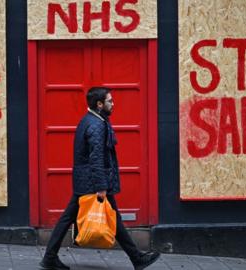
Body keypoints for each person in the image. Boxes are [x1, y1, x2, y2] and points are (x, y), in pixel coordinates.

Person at [40, 87, 160, 270]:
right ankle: (137, 259)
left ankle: (50, 257)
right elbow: (96, 157)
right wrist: (101, 186)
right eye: (110, 101)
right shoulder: (96, 125)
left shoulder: (90, 120)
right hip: (93, 182)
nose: (113, 104)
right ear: (99, 104)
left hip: (86, 180)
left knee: (81, 218)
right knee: (103, 218)